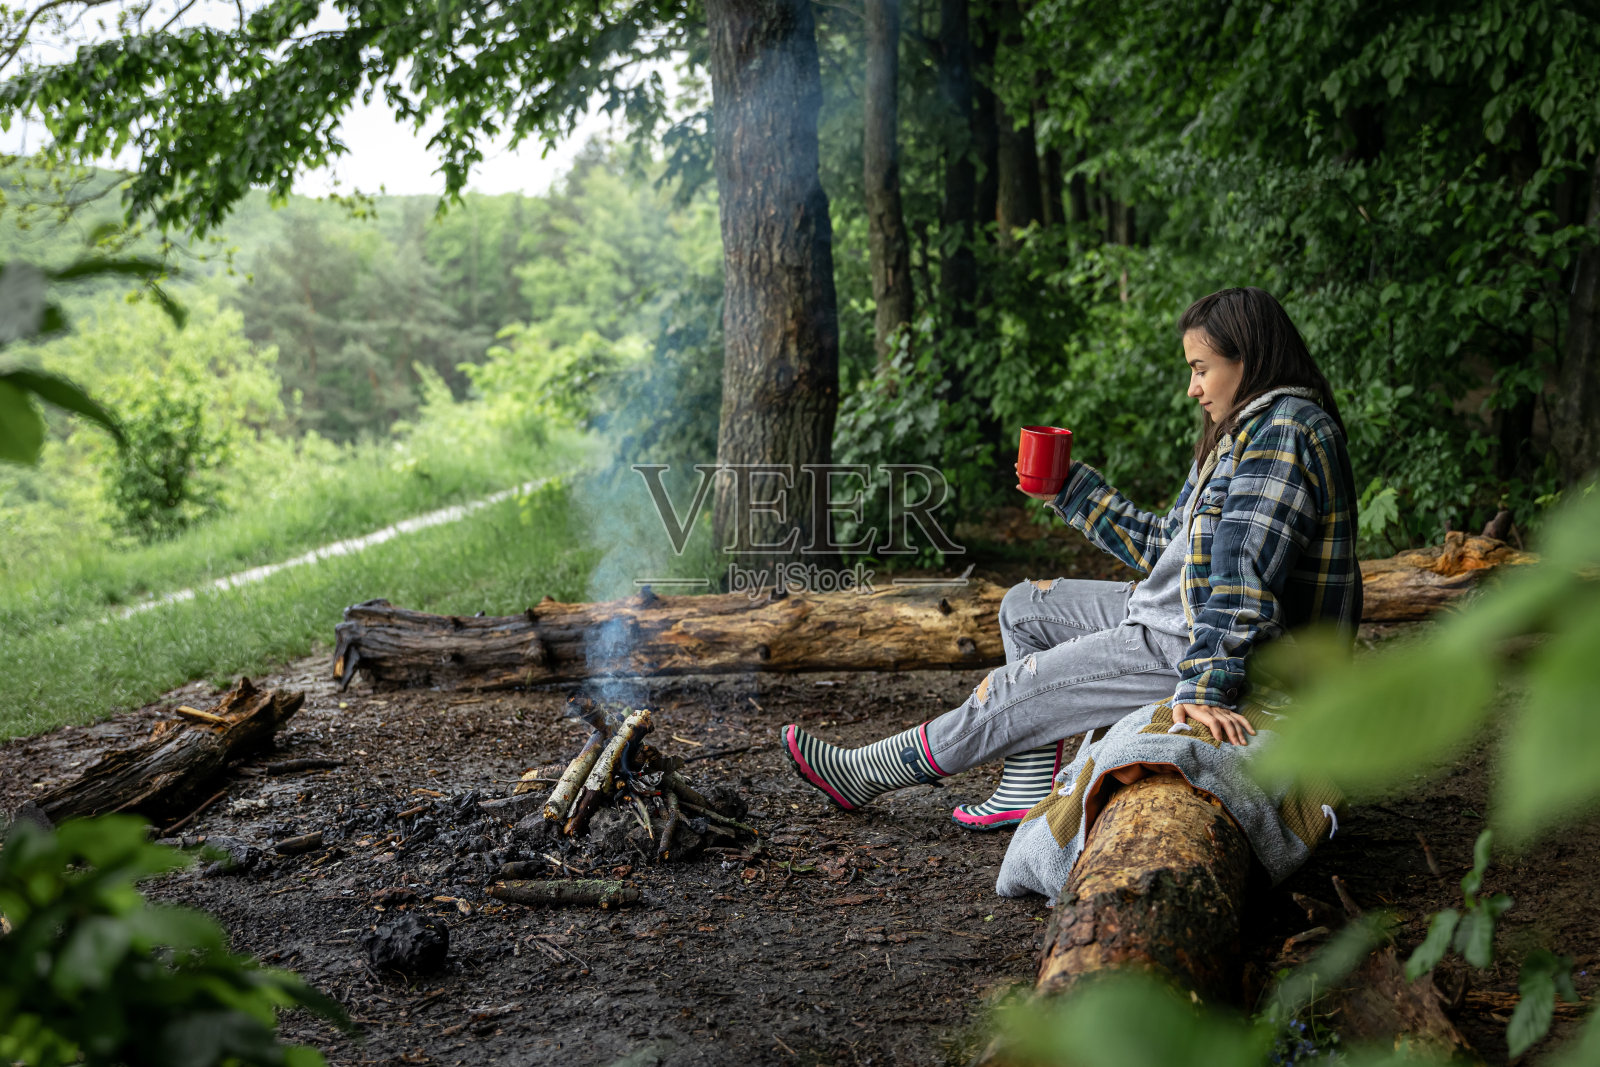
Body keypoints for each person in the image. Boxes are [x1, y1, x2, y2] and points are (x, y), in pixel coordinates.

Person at [781, 286, 1362, 828]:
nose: (1193, 388)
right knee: (1025, 608)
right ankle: (1027, 785)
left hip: (1200, 643)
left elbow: (1241, 584)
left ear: (1251, 361)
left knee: (1014, 687)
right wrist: (1066, 488)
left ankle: (869, 771)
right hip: (1169, 610)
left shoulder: (1284, 429)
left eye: (1201, 369)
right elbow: (1166, 545)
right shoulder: (1241, 432)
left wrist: (1205, 687)